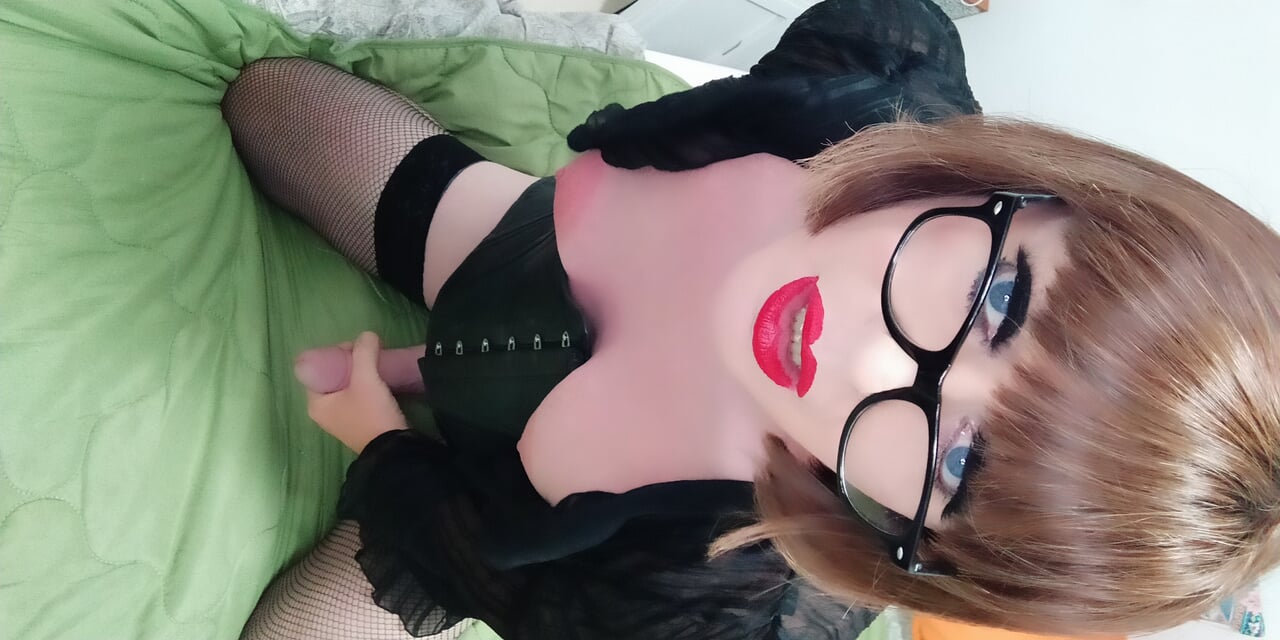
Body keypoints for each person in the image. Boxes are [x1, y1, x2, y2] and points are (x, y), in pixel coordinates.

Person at [225, 1, 1280, 638]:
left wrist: (385, 446)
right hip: (505, 248)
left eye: (958, 463)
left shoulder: (714, 591)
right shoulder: (875, 72)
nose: (861, 359)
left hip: (484, 483)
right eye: (998, 298)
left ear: (932, 547)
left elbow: (501, 575)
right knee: (266, 98)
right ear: (1041, 189)